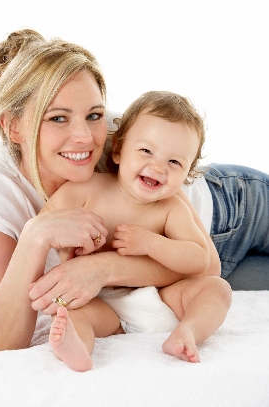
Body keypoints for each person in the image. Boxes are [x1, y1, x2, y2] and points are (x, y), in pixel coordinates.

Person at [0, 28, 268, 355]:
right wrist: (35, 236)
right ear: (13, 126)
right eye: (57, 118)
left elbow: (207, 266)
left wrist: (101, 268)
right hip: (168, 287)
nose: (84, 136)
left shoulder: (117, 136)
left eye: (94, 114)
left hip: (234, 209)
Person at [41, 90, 232, 370]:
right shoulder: (85, 191)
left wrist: (152, 243)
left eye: (175, 162)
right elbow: (43, 227)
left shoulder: (171, 208)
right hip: (103, 303)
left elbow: (199, 260)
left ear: (188, 172)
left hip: (163, 300)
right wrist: (69, 245)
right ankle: (77, 348)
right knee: (73, 314)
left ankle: (188, 332)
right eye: (146, 151)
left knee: (218, 289)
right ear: (118, 150)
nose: (157, 167)